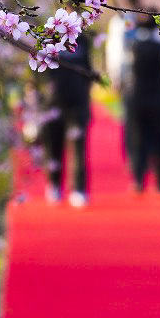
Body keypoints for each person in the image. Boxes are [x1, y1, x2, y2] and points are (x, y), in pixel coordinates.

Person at [126, 14, 160, 194]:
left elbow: (127, 71)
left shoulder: (134, 47)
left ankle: (139, 180)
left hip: (138, 96)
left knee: (138, 138)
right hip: (158, 96)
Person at [42, 33, 94, 208]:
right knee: (54, 146)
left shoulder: (83, 40)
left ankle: (79, 189)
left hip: (78, 101)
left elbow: (88, 69)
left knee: (78, 146)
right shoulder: (50, 36)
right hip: (54, 101)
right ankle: (54, 184)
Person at [104, 0, 143, 160]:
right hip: (136, 75)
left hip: (129, 74)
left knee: (130, 115)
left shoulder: (121, 21)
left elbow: (113, 51)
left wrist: (114, 76)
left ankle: (133, 154)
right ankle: (135, 153)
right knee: (133, 115)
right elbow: (115, 50)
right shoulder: (135, 20)